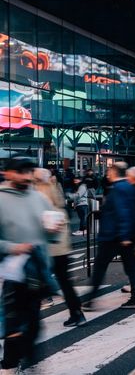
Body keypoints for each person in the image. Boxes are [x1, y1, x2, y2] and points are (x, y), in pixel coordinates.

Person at [0, 157, 59, 371]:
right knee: (15, 324)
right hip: (11, 272)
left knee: (33, 323)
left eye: (28, 171)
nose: (26, 176)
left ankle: (21, 363)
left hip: (38, 270)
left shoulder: (39, 198)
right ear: (7, 173)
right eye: (20, 171)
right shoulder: (1, 199)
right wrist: (11, 247)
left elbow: (50, 234)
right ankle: (12, 366)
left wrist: (54, 231)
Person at [82, 162, 135, 311]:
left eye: (109, 171)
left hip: (113, 236)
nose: (107, 174)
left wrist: (124, 235)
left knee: (100, 268)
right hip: (124, 235)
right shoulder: (129, 186)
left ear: (115, 172)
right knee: (131, 267)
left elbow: (122, 212)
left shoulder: (118, 189)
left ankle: (90, 300)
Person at [34, 168, 87, 328]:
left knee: (39, 283)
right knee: (61, 282)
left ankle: (29, 319)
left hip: (49, 249)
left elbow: (43, 225)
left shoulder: (41, 194)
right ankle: (76, 312)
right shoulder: (55, 190)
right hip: (60, 248)